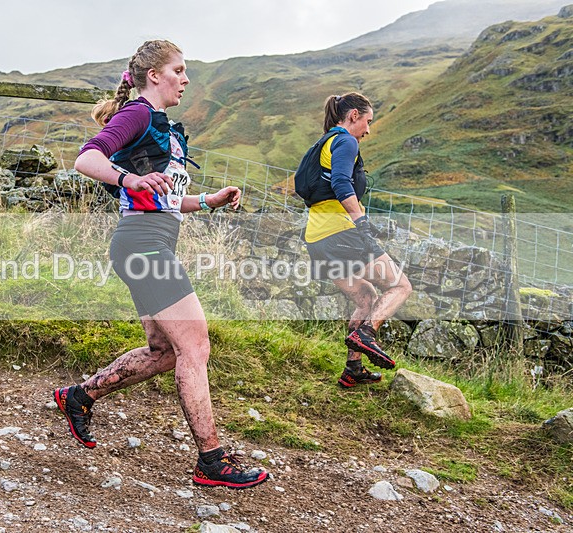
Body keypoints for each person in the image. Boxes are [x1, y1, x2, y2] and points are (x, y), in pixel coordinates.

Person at [53, 40, 268, 489]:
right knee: (195, 346)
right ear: (155, 75)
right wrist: (128, 177)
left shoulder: (164, 127)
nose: (186, 79)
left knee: (164, 351)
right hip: (144, 246)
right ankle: (211, 460)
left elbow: (163, 198)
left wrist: (208, 201)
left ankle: (79, 397)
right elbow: (86, 158)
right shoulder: (138, 114)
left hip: (146, 242)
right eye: (179, 70)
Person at [302, 92, 412, 388]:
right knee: (400, 285)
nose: (368, 130)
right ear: (353, 116)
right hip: (342, 234)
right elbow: (340, 181)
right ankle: (366, 334)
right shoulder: (345, 140)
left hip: (316, 239)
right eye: (367, 121)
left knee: (365, 297)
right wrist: (361, 220)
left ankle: (353, 368)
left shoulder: (321, 143)